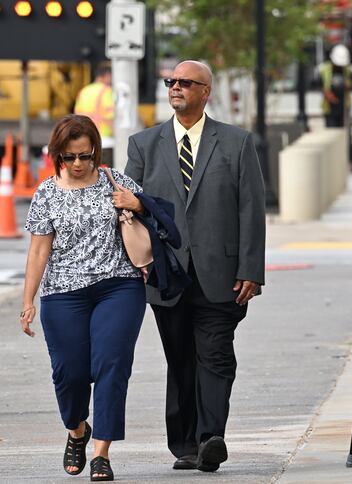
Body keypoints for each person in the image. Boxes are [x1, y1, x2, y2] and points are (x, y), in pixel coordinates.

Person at [125, 60, 266, 473]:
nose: (176, 87)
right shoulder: (143, 145)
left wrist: (251, 269)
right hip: (166, 273)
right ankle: (185, 442)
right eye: (171, 81)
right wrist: (138, 264)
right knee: (180, 357)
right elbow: (128, 213)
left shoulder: (237, 142)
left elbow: (251, 209)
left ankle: (210, 437)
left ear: (206, 91)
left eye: (186, 82)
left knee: (216, 353)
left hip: (221, 272)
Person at [20, 114, 147, 481]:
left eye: (85, 156)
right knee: (69, 373)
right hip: (63, 293)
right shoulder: (46, 192)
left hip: (119, 286)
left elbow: (148, 213)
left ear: (96, 152)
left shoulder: (115, 180)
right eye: (69, 157)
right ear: (57, 154)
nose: (77, 164)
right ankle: (77, 430)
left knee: (111, 363)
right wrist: (28, 301)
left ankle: (101, 454)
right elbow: (38, 252)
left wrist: (136, 204)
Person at [74, 62, 114, 139]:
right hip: (103, 135)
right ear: (107, 75)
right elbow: (110, 116)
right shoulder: (107, 91)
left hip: (85, 134)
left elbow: (77, 113)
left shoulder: (84, 91)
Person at [319, 44, 352, 127]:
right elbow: (320, 85)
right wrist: (329, 96)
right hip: (329, 108)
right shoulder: (324, 70)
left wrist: (347, 87)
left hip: (344, 107)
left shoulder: (348, 70)